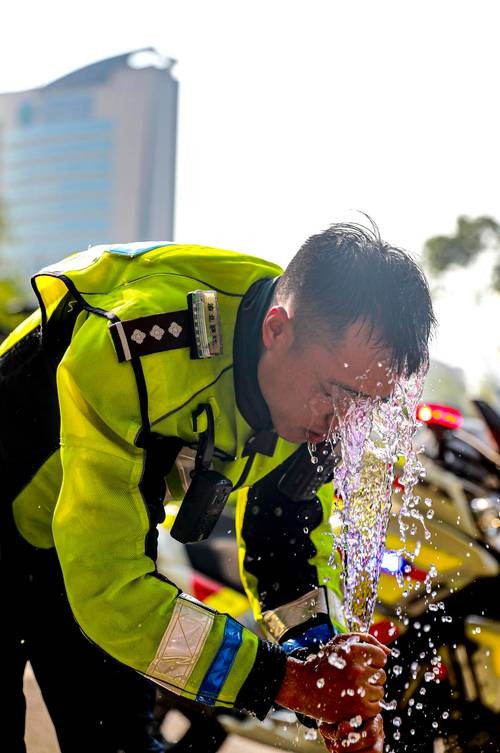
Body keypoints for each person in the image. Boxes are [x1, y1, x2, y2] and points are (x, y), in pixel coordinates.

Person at [0, 221, 434, 753]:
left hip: (92, 542)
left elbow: (285, 554)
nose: (343, 423)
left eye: (363, 406)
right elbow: (110, 592)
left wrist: (328, 669)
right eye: (335, 395)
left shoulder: (320, 389)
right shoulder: (142, 347)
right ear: (276, 330)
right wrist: (284, 682)